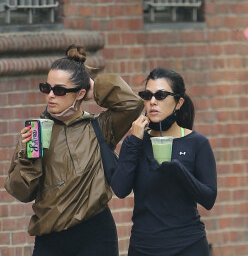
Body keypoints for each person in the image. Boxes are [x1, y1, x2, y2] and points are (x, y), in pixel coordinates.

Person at [4, 44, 144, 256]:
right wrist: (26, 156)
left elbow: (132, 104)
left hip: (95, 234)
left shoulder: (100, 127)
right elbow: (21, 192)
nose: (51, 95)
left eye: (59, 91)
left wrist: (94, 88)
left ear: (80, 93)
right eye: (46, 88)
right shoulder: (37, 131)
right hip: (50, 238)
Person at [111, 67, 217, 256]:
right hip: (144, 247)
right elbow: (120, 189)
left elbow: (208, 199)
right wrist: (135, 141)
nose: (152, 102)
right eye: (147, 95)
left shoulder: (197, 143)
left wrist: (179, 170)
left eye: (160, 95)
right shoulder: (135, 141)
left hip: (188, 245)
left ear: (178, 102)